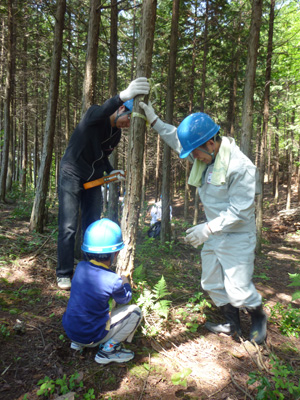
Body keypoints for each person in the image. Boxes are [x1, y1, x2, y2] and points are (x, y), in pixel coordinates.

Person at [139, 102, 267, 345]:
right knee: (211, 281)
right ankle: (232, 323)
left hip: (238, 234)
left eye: (195, 151)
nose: (192, 157)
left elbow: (241, 210)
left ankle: (259, 318)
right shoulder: (205, 157)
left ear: (211, 142)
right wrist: (154, 120)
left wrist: (207, 228)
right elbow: (177, 139)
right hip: (214, 232)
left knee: (238, 286)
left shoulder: (241, 167)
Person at [57, 77, 150, 290]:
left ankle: (89, 268)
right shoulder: (94, 115)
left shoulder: (115, 134)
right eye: (128, 117)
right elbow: (102, 110)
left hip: (94, 179)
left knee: (91, 224)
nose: (128, 124)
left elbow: (102, 155)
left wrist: (110, 171)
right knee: (69, 225)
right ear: (119, 110)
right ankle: (64, 273)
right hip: (71, 173)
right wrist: (122, 96)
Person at [62, 218, 142, 364]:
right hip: (92, 336)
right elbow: (124, 299)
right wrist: (125, 282)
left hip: (71, 332)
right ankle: (108, 350)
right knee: (136, 312)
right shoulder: (113, 280)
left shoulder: (80, 267)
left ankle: (77, 343)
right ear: (115, 254)